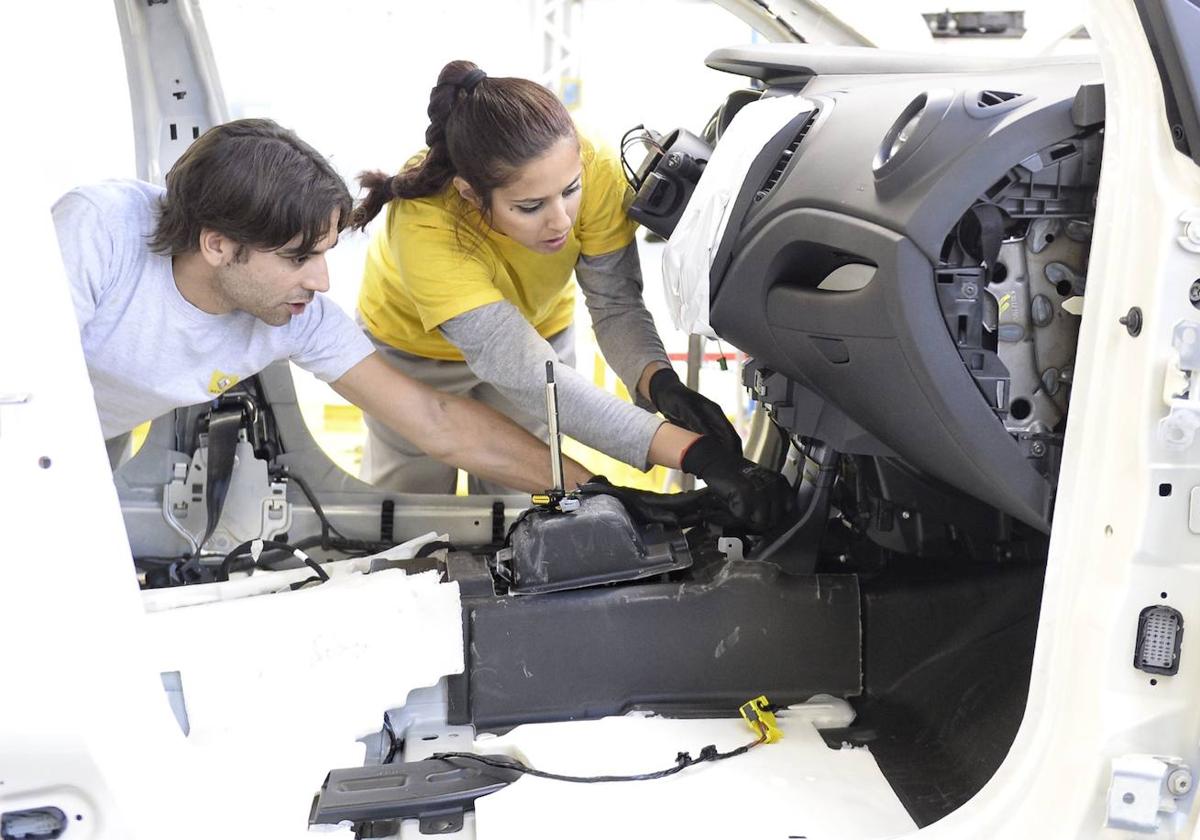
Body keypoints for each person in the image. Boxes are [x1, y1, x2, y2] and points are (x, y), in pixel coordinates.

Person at [52, 118, 790, 529]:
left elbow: (439, 420)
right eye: (300, 258)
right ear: (218, 245)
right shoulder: (95, 238)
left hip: (96, 431)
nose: (323, 280)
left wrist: (595, 489)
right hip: (40, 433)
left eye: (329, 253)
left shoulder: (294, 315)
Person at [350, 60, 750, 498]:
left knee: (523, 505)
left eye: (570, 190)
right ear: (470, 194)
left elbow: (616, 305)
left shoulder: (592, 163)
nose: (561, 221)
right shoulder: (425, 222)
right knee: (411, 509)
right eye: (530, 206)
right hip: (413, 351)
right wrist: (693, 453)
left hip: (538, 332)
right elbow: (523, 371)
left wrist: (661, 383)